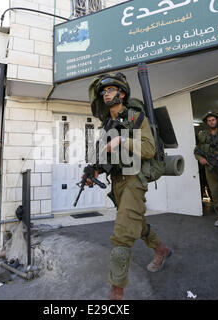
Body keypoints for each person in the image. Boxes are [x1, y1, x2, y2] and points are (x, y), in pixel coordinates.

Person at [86, 73, 172, 300]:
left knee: (122, 234)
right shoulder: (106, 124)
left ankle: (116, 293)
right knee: (137, 224)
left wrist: (123, 140)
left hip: (134, 179)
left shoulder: (135, 117)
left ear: (122, 94)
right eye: (104, 92)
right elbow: (104, 157)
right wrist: (92, 171)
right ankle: (161, 249)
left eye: (110, 90)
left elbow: (149, 149)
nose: (106, 94)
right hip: (117, 182)